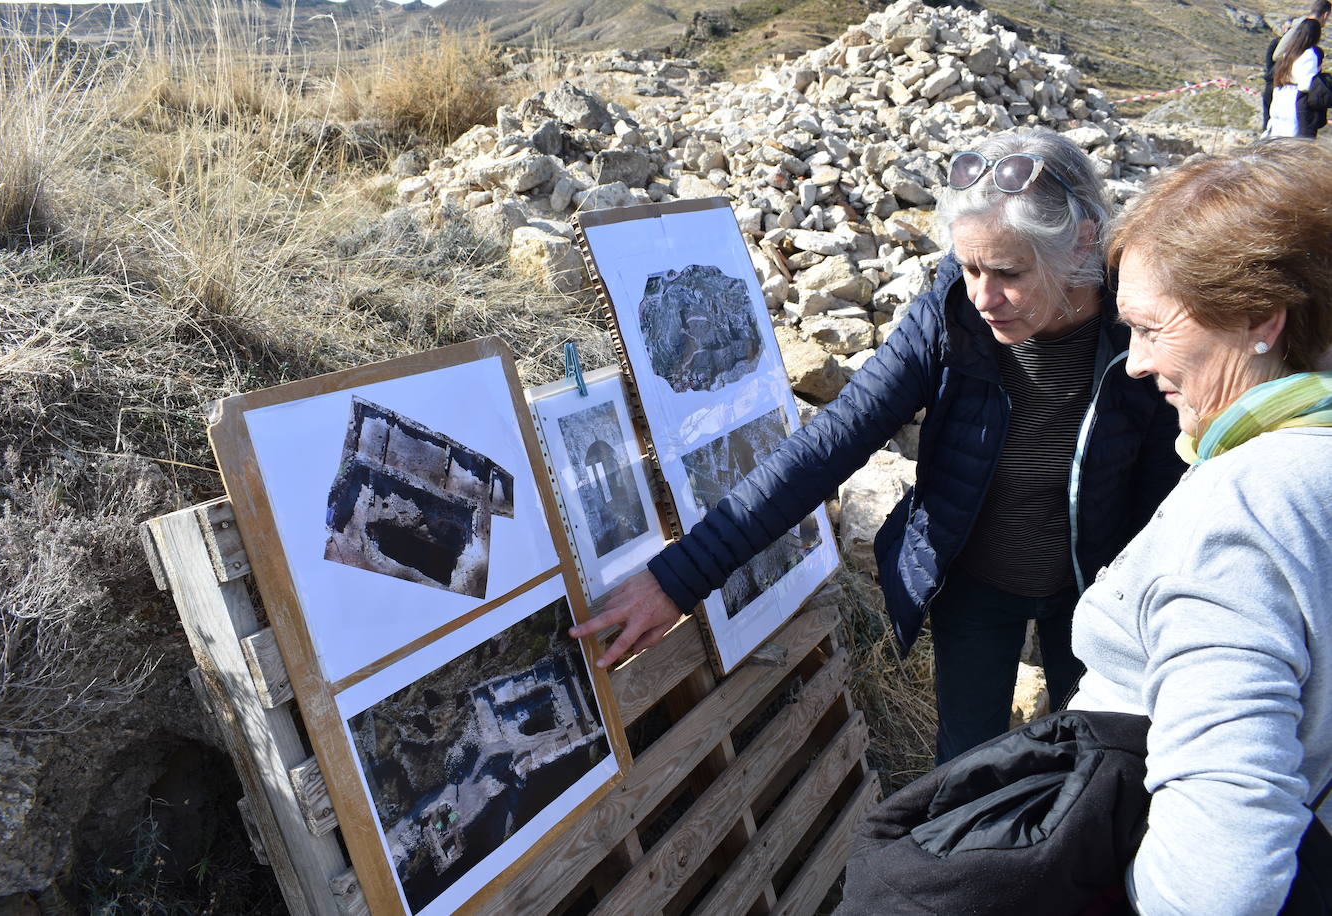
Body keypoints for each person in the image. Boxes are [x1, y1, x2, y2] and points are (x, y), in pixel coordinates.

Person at [570, 128, 1186, 765]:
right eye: (970, 265)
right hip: (974, 583)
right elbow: (830, 445)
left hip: (1100, 588)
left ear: (1082, 243)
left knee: (1095, 762)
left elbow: (1178, 486)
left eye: (1008, 272)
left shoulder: (1138, 330)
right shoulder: (948, 315)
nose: (982, 296)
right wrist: (678, 578)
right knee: (964, 772)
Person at [1067, 139, 1332, 914]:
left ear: (1260, 320)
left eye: (1150, 330)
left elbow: (1222, 872)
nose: (1138, 364)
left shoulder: (1245, 505)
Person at [1262, 0, 1331, 129]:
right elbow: (1305, 84)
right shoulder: (1305, 28)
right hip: (1289, 95)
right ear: (1326, 14)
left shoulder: (1299, 25)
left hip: (1279, 89)